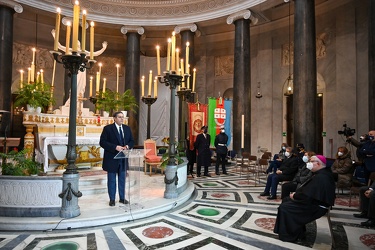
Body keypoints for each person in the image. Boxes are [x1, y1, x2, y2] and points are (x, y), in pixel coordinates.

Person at [274, 155, 336, 242]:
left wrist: (295, 196)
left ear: (318, 163)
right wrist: (296, 195)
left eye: (311, 161)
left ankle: (289, 235)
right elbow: (310, 192)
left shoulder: (322, 176)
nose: (309, 163)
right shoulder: (321, 173)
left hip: (317, 207)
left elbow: (309, 195)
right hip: (314, 202)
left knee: (285, 208)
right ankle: (299, 232)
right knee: (286, 200)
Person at [100, 111, 135, 206]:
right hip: (111, 158)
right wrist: (115, 147)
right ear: (114, 118)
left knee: (122, 179)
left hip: (123, 158)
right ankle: (112, 199)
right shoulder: (108, 129)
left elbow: (132, 141)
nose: (122, 119)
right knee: (111, 180)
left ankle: (122, 198)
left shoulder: (127, 128)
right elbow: (102, 142)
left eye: (122, 117)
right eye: (119, 117)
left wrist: (127, 146)